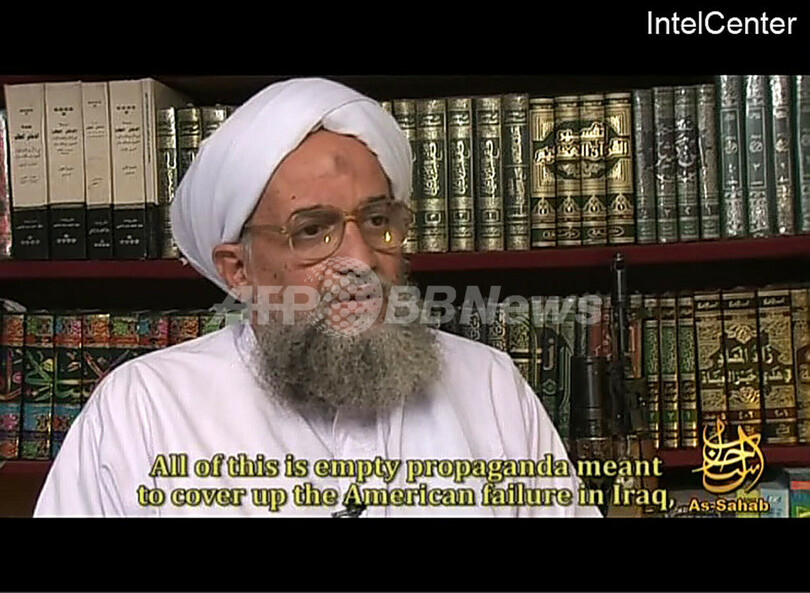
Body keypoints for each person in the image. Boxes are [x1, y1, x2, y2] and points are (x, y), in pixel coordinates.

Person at [34, 77, 601, 517]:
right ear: (239, 270)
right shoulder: (144, 409)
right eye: (312, 230)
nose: (361, 259)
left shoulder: (490, 387)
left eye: (377, 221)